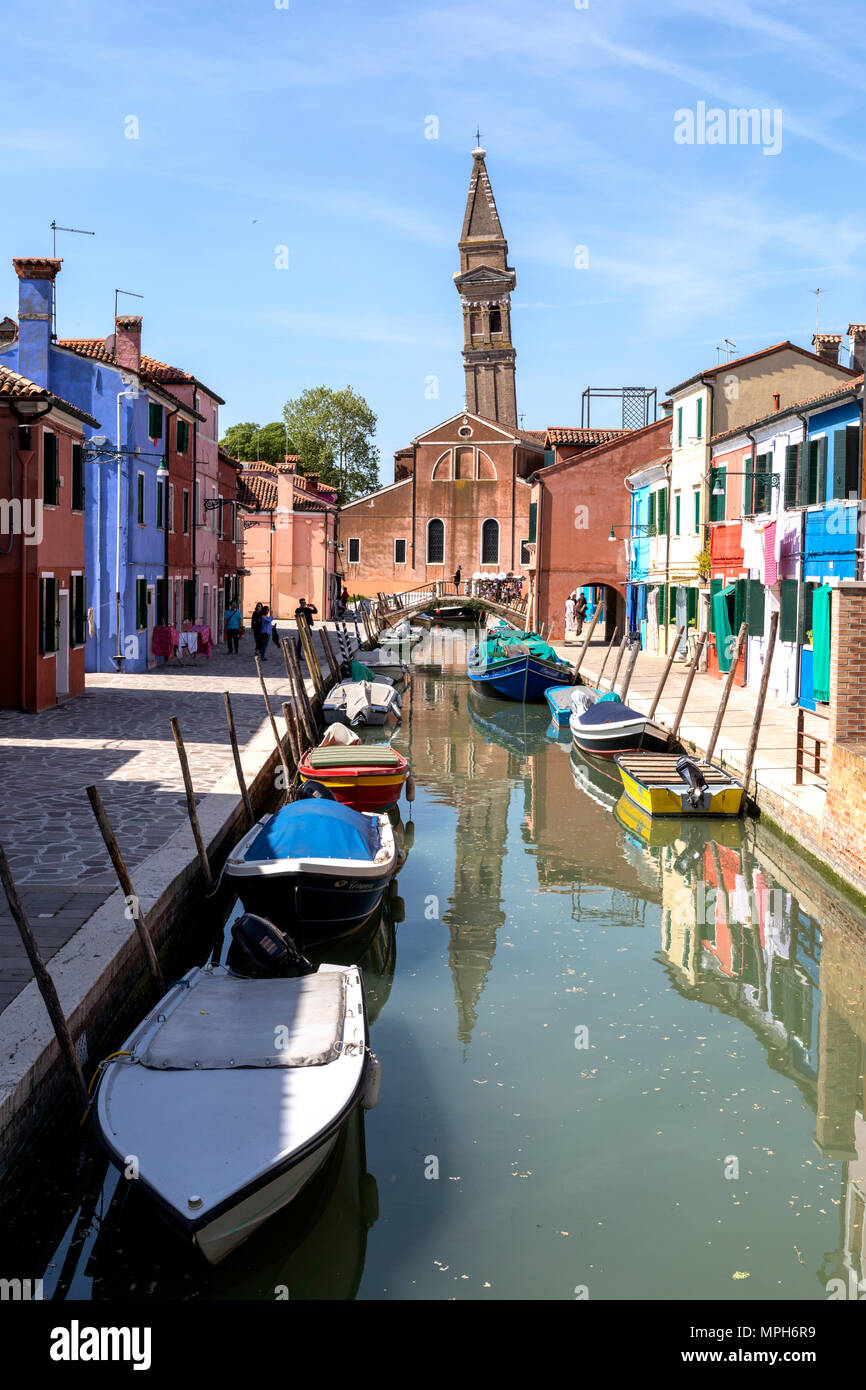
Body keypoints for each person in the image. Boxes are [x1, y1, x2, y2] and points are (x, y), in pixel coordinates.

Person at [294, 596, 318, 662]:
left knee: (309, 639)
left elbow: (315, 612)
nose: (304, 603)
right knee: (300, 641)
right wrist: (304, 607)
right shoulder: (298, 609)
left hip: (308, 626)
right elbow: (297, 612)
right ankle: (298, 655)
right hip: (301, 627)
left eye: (305, 602)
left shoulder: (307, 609)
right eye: (303, 602)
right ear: (300, 603)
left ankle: (309, 655)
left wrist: (313, 606)